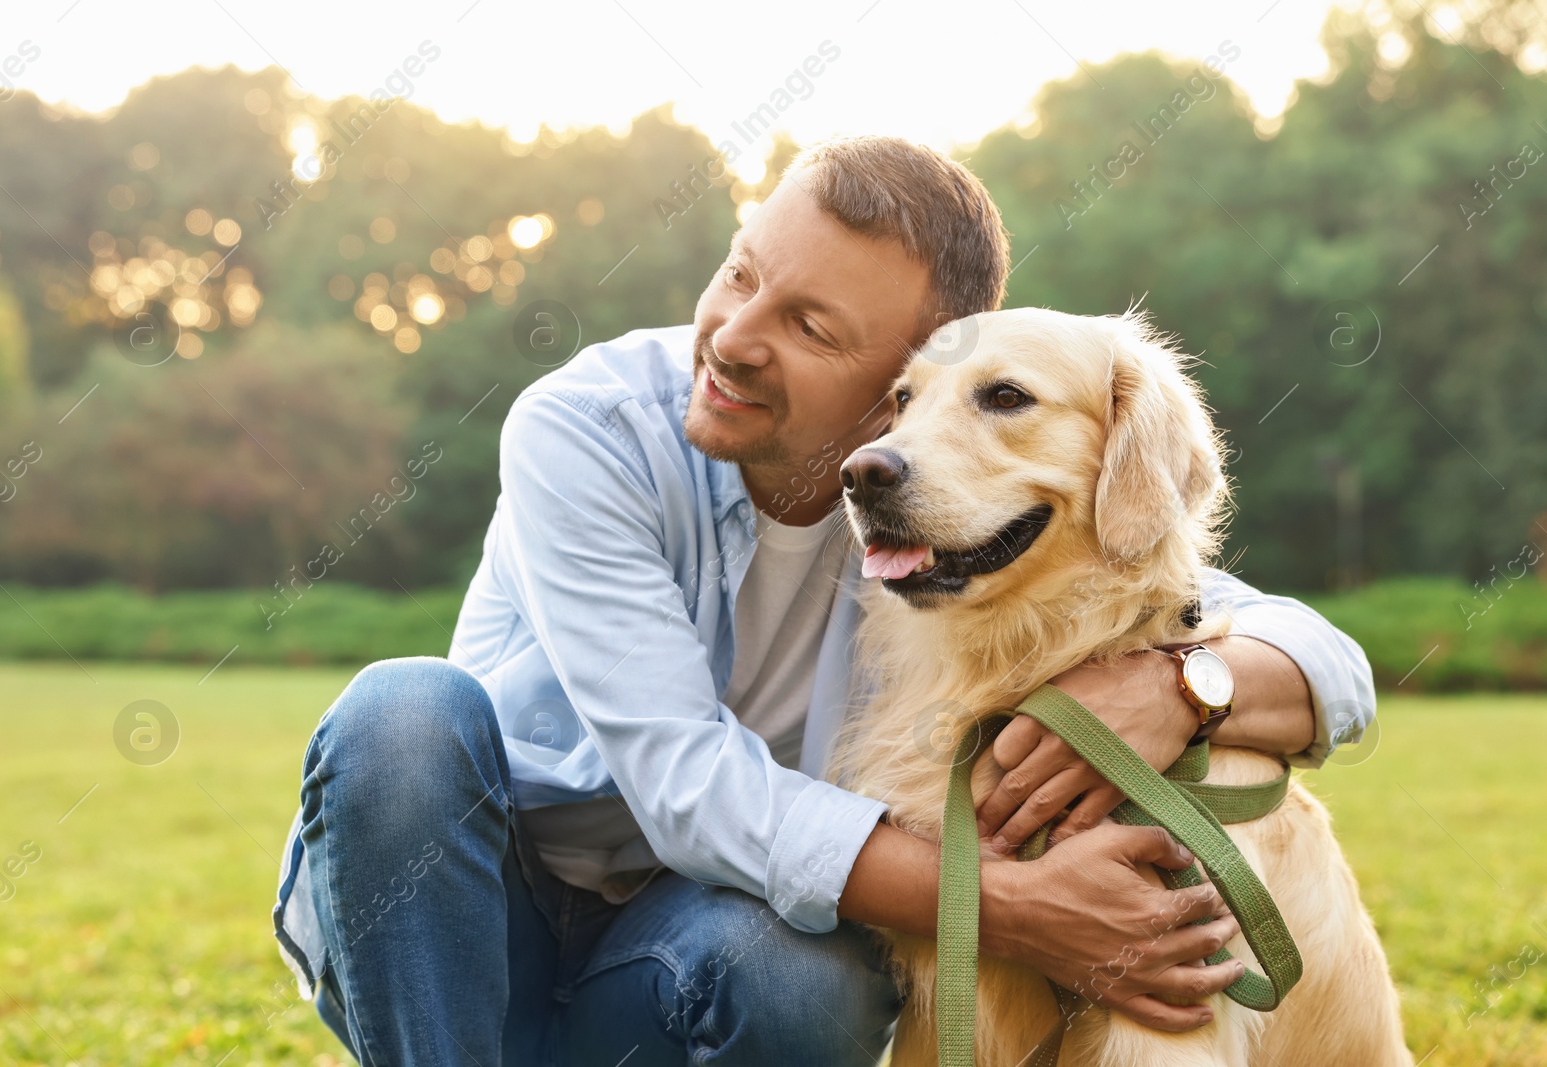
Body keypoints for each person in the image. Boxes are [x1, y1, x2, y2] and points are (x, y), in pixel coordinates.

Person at [273, 136, 1374, 1067]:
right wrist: (1012, 903)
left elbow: (1306, 651)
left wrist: (1186, 685)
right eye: (741, 274)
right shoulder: (588, 427)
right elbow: (686, 783)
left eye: (811, 328)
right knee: (403, 715)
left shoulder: (950, 515)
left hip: (688, 946)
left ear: (906, 375)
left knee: (807, 972)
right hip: (463, 923)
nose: (735, 339)